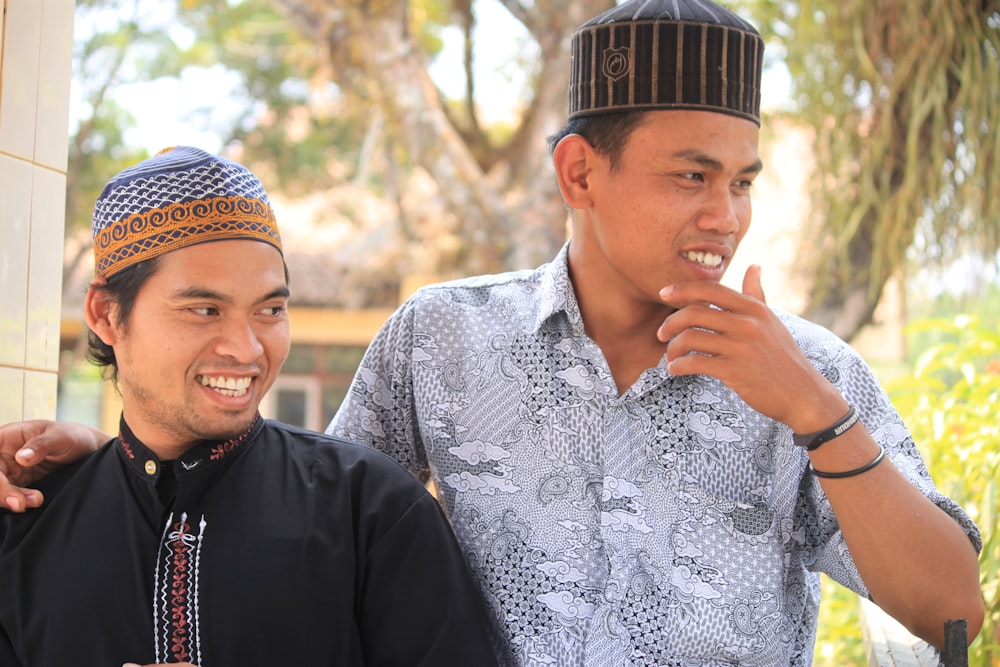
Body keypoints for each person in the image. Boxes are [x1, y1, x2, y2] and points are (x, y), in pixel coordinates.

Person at [0, 1, 984, 665]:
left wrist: (813, 412)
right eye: (691, 175)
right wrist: (122, 465)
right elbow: (301, 516)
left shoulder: (812, 370)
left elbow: (951, 614)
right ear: (578, 173)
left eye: (741, 180)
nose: (724, 214)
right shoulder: (440, 339)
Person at [0, 146, 498, 667]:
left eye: (270, 310)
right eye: (204, 309)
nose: (247, 348)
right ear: (106, 314)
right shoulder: (30, 525)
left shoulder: (370, 509)